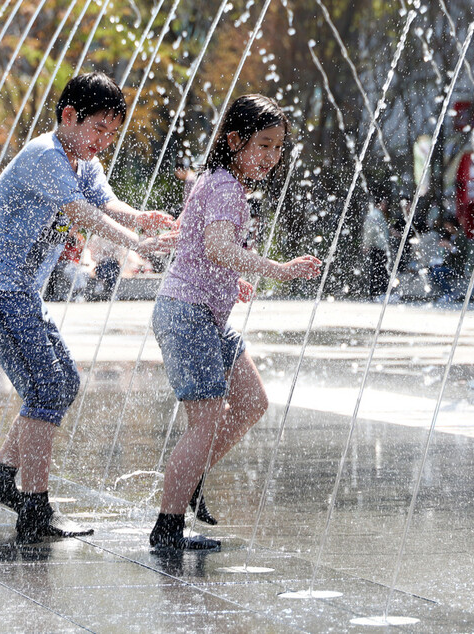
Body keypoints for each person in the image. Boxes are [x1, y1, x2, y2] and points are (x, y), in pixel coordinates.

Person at [0, 72, 177, 543]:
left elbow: (104, 202)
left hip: (17, 292)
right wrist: (140, 243)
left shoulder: (81, 161)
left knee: (62, 383)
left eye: (111, 134)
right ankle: (34, 508)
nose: (104, 141)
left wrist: (139, 217)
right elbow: (83, 214)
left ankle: (0, 477)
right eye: (98, 129)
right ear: (69, 117)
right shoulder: (45, 156)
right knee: (44, 388)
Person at [150, 94, 321, 550]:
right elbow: (218, 249)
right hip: (188, 315)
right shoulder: (225, 186)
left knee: (251, 401)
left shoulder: (217, 181)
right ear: (234, 140)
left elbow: (195, 243)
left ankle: (190, 478)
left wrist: (231, 282)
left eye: (278, 148)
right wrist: (278, 270)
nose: (272, 157)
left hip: (203, 313)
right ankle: (167, 528)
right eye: (263, 145)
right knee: (205, 422)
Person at [362, 194, 391, 299]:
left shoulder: (378, 214)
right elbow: (369, 231)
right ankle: (377, 293)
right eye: (384, 203)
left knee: (380, 269)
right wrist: (367, 244)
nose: (386, 206)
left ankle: (378, 293)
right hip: (377, 247)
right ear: (379, 204)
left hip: (379, 246)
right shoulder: (375, 214)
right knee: (378, 270)